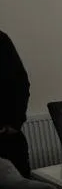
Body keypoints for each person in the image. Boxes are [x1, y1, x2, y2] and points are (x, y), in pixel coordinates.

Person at [0, 30, 31, 177]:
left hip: (6, 139)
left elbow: (21, 83)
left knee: (20, 186)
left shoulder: (1, 39)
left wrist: (14, 123)